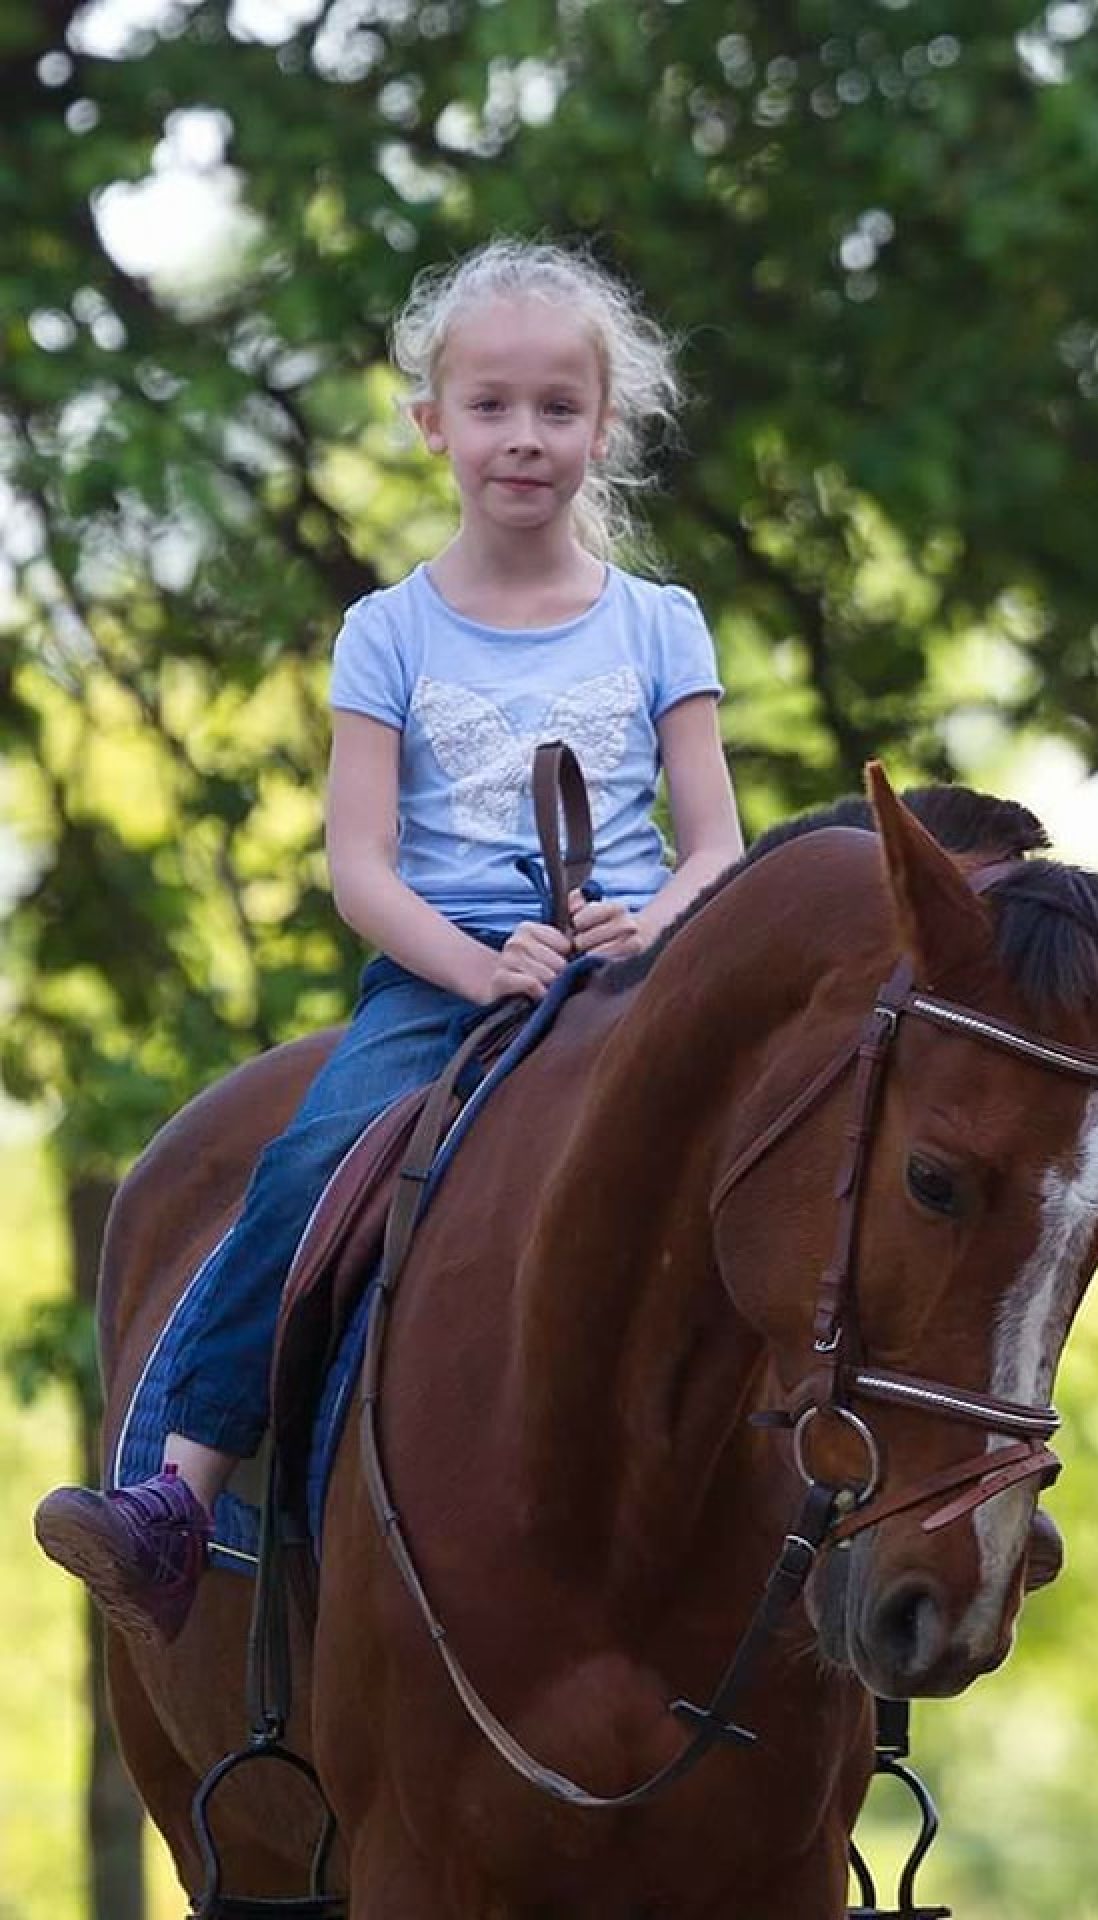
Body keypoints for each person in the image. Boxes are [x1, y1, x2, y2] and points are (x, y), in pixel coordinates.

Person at [33, 238, 744, 1644]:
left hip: (635, 967)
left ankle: (880, 1484)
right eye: (491, 406)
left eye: (557, 408)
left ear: (604, 428)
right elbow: (358, 866)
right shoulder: (389, 632)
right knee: (307, 1162)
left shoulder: (661, 625)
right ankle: (182, 1494)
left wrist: (648, 926)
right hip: (444, 971)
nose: (524, 435)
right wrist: (480, 968)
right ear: (433, 424)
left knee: (801, 1142)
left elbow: (719, 842)